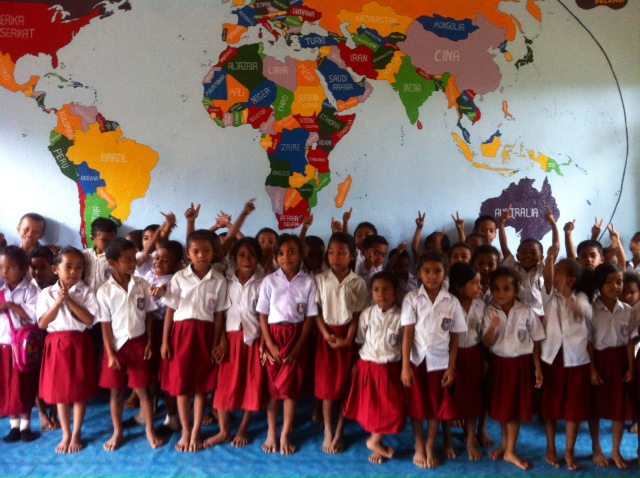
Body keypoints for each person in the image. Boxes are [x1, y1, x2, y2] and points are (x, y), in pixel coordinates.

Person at [161, 230, 230, 452]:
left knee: (201, 387)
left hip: (205, 334)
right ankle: (185, 431)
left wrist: (217, 341)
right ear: (188, 254)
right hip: (181, 335)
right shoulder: (180, 277)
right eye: (196, 251)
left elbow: (219, 316)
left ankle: (197, 431)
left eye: (206, 250)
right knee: (182, 387)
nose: (201, 255)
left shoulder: (219, 279)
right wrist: (165, 341)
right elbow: (170, 311)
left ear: (214, 252)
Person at [96, 237, 164, 451]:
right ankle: (118, 431)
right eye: (127, 260)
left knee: (144, 390)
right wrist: (110, 353)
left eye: (133, 259)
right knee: (116, 392)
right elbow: (105, 325)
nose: (133, 264)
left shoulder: (142, 284)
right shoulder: (104, 291)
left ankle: (150, 429)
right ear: (113, 263)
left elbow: (150, 316)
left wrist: (150, 341)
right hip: (115, 347)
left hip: (138, 343)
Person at [401, 251, 467, 469]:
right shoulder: (411, 299)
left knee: (436, 407)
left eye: (437, 271)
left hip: (440, 363)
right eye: (426, 271)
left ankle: (431, 445)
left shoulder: (452, 302)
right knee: (418, 408)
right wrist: (405, 367)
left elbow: (455, 337)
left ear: (444, 273)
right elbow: (408, 334)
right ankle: (419, 446)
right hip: (417, 362)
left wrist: (451, 367)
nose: (432, 276)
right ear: (419, 274)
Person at [257, 234, 318, 455]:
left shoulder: (309, 282)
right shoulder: (269, 281)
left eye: (292, 251)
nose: (286, 257)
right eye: (281, 253)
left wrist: (299, 346)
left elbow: (310, 317)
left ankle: (286, 434)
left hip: (297, 335)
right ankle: (272, 432)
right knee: (274, 389)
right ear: (276, 257)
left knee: (291, 390)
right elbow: (262, 314)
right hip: (274, 334)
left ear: (301, 254)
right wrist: (270, 344)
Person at [482, 267, 545, 470]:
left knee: (515, 409)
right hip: (500, 365)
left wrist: (537, 368)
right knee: (503, 408)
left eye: (506, 288)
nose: (501, 293)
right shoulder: (489, 311)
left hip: (521, 365)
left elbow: (537, 340)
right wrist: (492, 326)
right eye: (496, 289)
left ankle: (510, 450)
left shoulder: (526, 311)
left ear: (516, 290)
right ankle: (505, 446)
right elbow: (487, 342)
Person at [37, 246, 98, 453]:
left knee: (79, 392)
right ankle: (66, 433)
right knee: (61, 393)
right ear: (55, 269)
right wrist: (58, 303)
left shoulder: (86, 291)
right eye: (68, 266)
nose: (73, 271)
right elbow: (43, 323)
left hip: (79, 342)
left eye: (78, 267)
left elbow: (89, 319)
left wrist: (70, 300)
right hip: (56, 344)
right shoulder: (46, 293)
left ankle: (77, 432)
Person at [207, 237, 266, 448]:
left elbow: (263, 316)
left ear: (258, 258)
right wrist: (221, 340)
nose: (247, 259)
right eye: (242, 255)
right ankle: (224, 430)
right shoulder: (226, 280)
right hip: (230, 339)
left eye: (251, 255)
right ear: (234, 258)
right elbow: (220, 313)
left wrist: (265, 343)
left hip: (253, 340)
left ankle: (243, 428)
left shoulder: (262, 282)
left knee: (252, 384)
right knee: (224, 386)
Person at [315, 233, 369, 454]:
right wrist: (327, 335)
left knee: (346, 387)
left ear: (352, 256)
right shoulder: (320, 279)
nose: (335, 257)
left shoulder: (358, 282)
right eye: (332, 252)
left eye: (342, 252)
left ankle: (340, 431)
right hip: (326, 336)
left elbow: (358, 315)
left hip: (348, 337)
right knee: (328, 389)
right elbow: (316, 312)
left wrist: (348, 339)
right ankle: (328, 431)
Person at [344, 270, 405, 464]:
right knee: (372, 408)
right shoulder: (367, 314)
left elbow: (406, 346)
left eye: (386, 289)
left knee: (391, 408)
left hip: (390, 369)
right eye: (376, 290)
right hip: (368, 366)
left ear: (395, 291)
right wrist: (356, 364)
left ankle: (374, 441)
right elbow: (361, 340)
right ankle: (376, 444)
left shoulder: (402, 317)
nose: (381, 294)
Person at [540, 248, 592, 470]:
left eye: (560, 272)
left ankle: (569, 450)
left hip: (575, 360)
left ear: (571, 279)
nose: (555, 274)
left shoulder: (581, 298)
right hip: (551, 358)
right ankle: (550, 447)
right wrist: (550, 259)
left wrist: (573, 303)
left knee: (574, 409)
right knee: (550, 407)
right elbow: (548, 277)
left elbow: (584, 313)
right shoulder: (548, 295)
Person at [588, 262, 637, 468]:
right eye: (608, 282)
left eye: (619, 282)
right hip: (598, 361)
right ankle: (596, 448)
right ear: (599, 283)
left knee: (620, 408)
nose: (615, 286)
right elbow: (589, 343)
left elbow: (629, 342)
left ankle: (616, 451)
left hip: (620, 362)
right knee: (595, 407)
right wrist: (592, 369)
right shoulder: (591, 309)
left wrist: (631, 367)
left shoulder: (628, 310)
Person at [445, 262, 486, 460]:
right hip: (449, 357)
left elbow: (483, 334)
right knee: (448, 398)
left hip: (472, 355)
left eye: (480, 283)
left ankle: (470, 439)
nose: (480, 287)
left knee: (472, 399)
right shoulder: (448, 304)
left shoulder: (481, 305)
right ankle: (448, 439)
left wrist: (484, 359)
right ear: (460, 287)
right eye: (475, 283)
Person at [0, 246, 40, 443]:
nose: (4, 273)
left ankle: (26, 425)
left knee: (25, 385)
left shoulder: (31, 291)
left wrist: (9, 306)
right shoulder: (1, 291)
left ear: (23, 269)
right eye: (1, 268)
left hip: (24, 349)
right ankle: (13, 425)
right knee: (7, 386)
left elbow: (33, 316)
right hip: (5, 346)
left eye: (10, 268)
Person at [498, 205, 559, 317]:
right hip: (517, 316)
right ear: (517, 255)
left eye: (533, 252)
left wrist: (553, 225)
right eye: (524, 252)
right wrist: (501, 223)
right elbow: (504, 247)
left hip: (539, 316)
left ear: (541, 257)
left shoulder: (543, 268)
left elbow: (555, 248)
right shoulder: (513, 267)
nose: (528, 256)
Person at [29, 245, 59, 430]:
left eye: (42, 267)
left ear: (52, 267)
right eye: (33, 267)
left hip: (52, 334)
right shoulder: (28, 287)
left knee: (54, 373)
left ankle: (55, 412)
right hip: (32, 337)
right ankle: (41, 412)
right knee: (34, 373)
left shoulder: (58, 287)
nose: (37, 271)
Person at [82, 217, 118, 292]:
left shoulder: (117, 257)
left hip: (108, 298)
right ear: (93, 239)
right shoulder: (85, 255)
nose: (109, 244)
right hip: (87, 298)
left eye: (113, 240)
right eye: (104, 240)